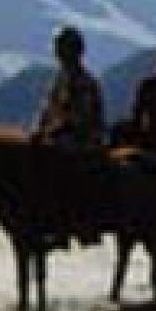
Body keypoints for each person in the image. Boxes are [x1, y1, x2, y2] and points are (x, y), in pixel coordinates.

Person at [33, 26, 106, 245]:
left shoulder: (84, 82)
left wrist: (56, 130)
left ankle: (70, 222)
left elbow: (81, 117)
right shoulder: (59, 81)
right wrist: (38, 131)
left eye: (64, 49)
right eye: (59, 49)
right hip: (61, 135)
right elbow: (48, 110)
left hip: (84, 140)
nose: (61, 54)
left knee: (61, 167)